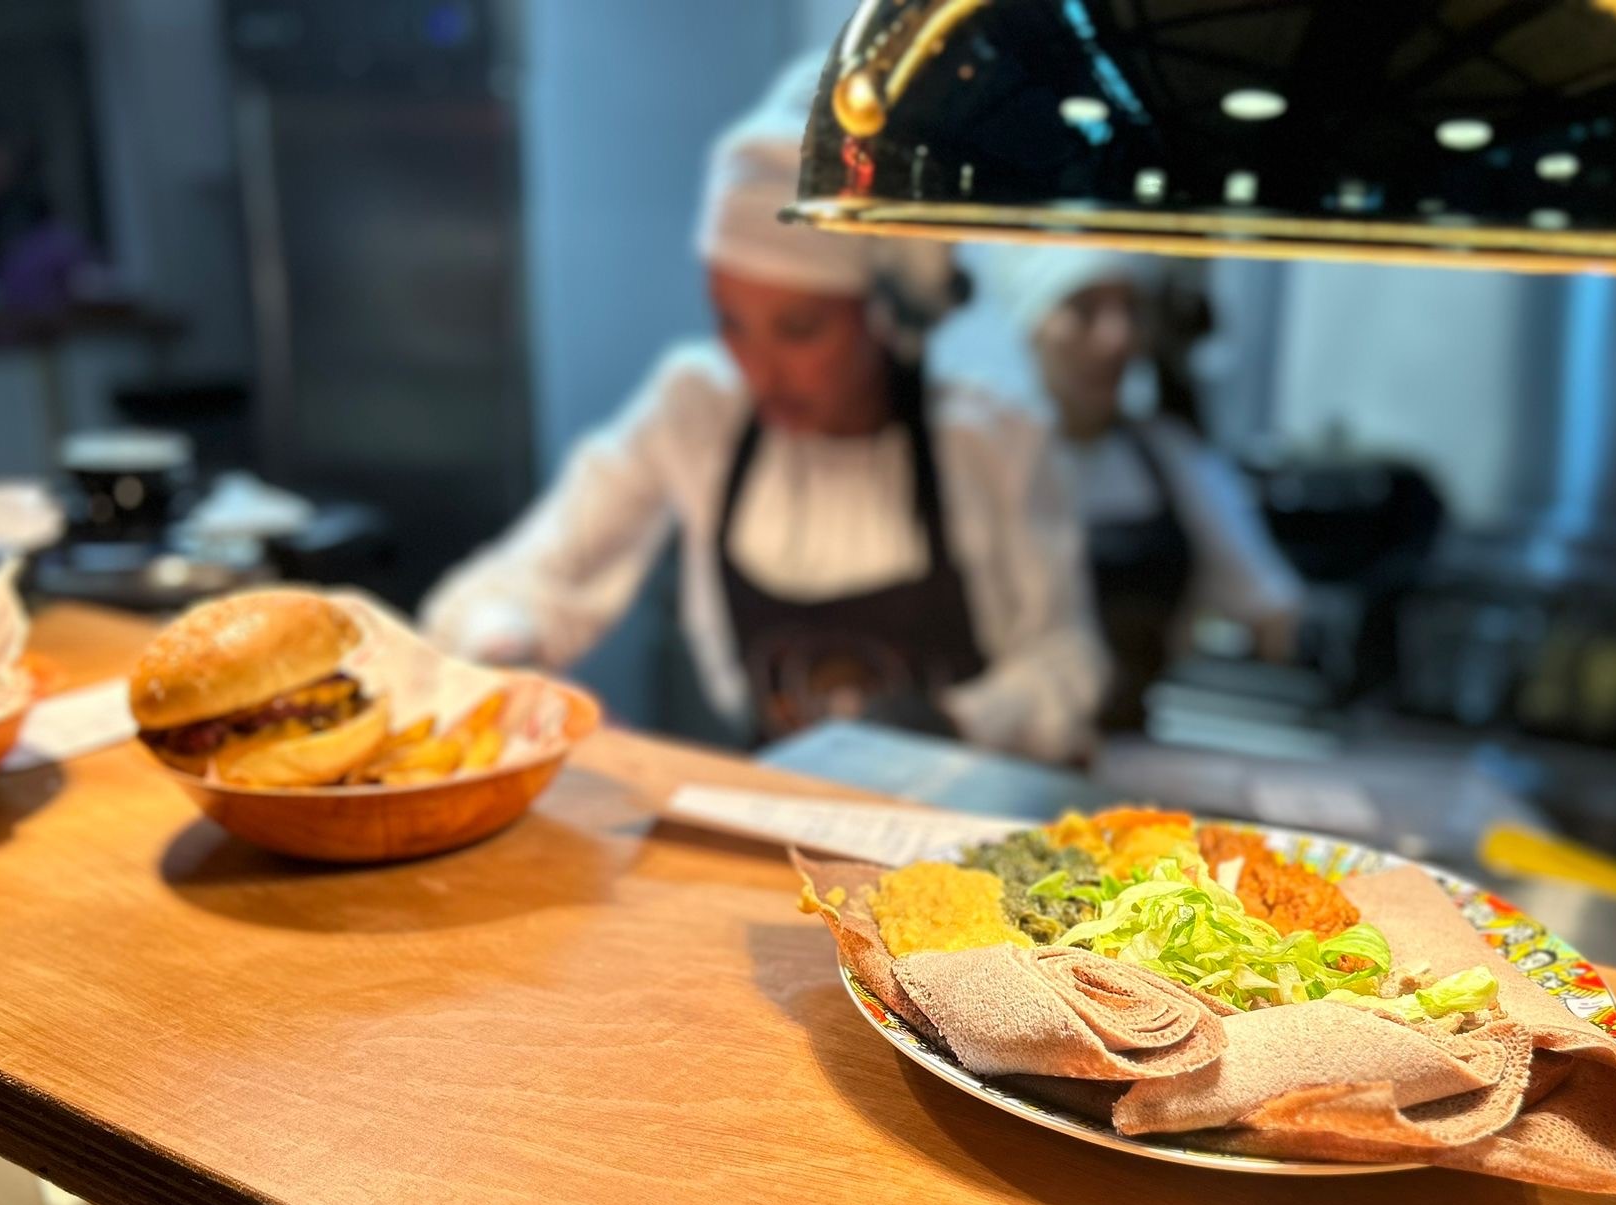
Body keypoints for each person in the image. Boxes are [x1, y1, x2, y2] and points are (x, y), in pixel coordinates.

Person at [422, 61, 1106, 762]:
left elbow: (1069, 665)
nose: (758, 367)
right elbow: (510, 584)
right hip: (779, 828)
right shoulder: (698, 407)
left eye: (800, 328)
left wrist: (961, 723)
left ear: (881, 313)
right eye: (731, 321)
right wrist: (510, 652)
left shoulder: (989, 437)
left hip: (962, 827)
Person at [946, 247, 1304, 732]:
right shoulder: (979, 456)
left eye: (1132, 311)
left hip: (1134, 748)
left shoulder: (1168, 458)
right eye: (1083, 310)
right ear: (1031, 326)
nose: (1117, 339)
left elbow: (1268, 605)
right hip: (995, 739)